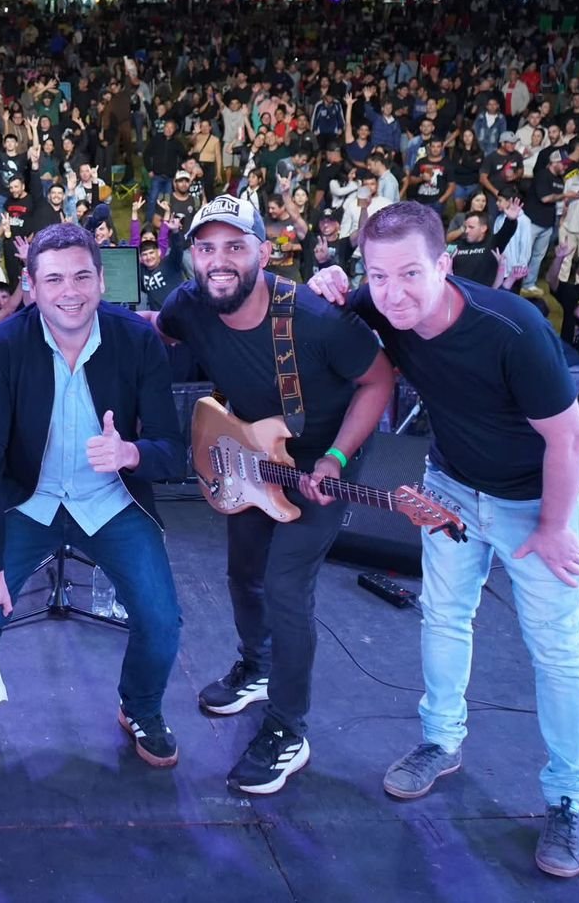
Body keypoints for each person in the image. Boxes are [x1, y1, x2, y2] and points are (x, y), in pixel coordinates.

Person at [309, 201, 579, 879]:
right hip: (453, 486)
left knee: (556, 650)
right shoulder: (381, 304)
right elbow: (337, 303)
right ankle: (441, 743)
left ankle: (567, 800)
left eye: (410, 273)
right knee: (443, 618)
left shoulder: (512, 329)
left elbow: (571, 437)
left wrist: (554, 527)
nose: (393, 292)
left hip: (535, 499)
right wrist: (326, 286)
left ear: (444, 265)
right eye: (378, 276)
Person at [149, 196, 393, 793]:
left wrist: (337, 458)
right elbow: (157, 329)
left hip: (325, 454)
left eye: (235, 246)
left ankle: (288, 728)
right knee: (244, 570)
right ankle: (257, 667)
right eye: (206, 247)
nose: (219, 260)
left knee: (286, 584)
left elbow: (379, 378)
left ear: (263, 252)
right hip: (253, 452)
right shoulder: (189, 304)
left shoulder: (313, 317)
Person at [0, 223, 190, 765]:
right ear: (31, 285)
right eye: (55, 279)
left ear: (102, 281)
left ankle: (140, 706)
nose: (71, 291)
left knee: (162, 620)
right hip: (29, 501)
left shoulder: (136, 339)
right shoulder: (4, 346)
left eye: (83, 276)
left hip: (110, 502)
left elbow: (171, 451)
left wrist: (129, 453)